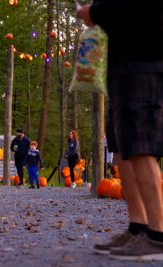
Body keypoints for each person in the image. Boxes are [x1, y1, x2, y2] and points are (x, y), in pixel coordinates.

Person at [78, 1, 163, 261]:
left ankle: (157, 235)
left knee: (140, 147)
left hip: (144, 62)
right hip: (122, 66)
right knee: (121, 147)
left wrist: (94, 12)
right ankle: (138, 227)